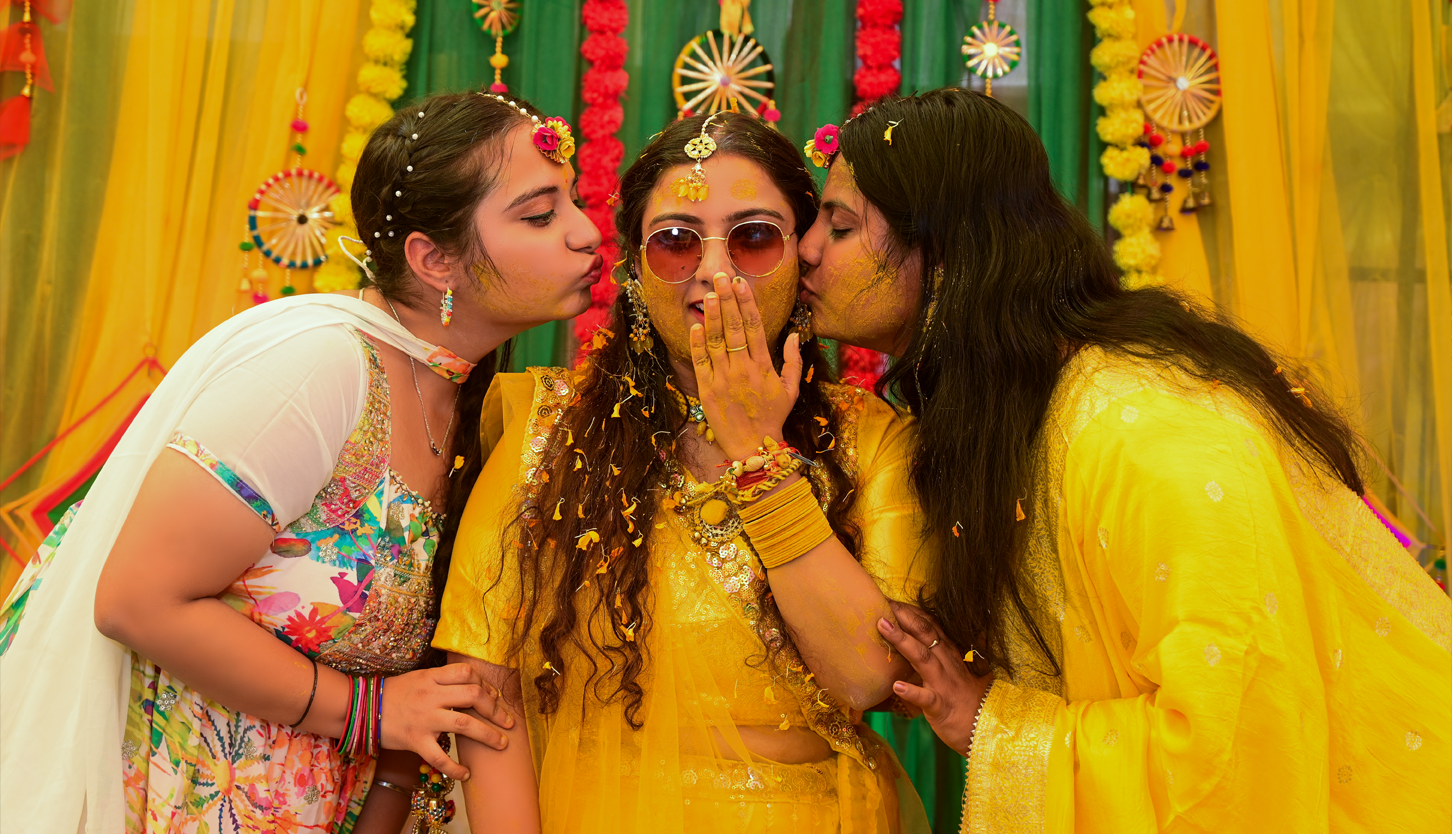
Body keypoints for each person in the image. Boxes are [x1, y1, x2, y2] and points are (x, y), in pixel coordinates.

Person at [783, 87, 1449, 832]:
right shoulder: (1018, 416)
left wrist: (993, 727)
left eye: (841, 226)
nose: (807, 248)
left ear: (946, 255)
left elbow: (1234, 751)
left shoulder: (1143, 432)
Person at [0, 90, 603, 834]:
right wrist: (367, 711)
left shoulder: (465, 396)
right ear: (434, 259)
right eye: (539, 215)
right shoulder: (319, 367)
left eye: (574, 201)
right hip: (180, 797)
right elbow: (137, 600)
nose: (585, 232)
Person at [433, 111, 932, 833]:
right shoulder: (549, 431)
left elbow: (868, 674)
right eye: (675, 242)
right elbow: (486, 693)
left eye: (754, 238)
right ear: (635, 270)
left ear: (803, 257)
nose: (715, 272)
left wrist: (758, 455)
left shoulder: (869, 438)